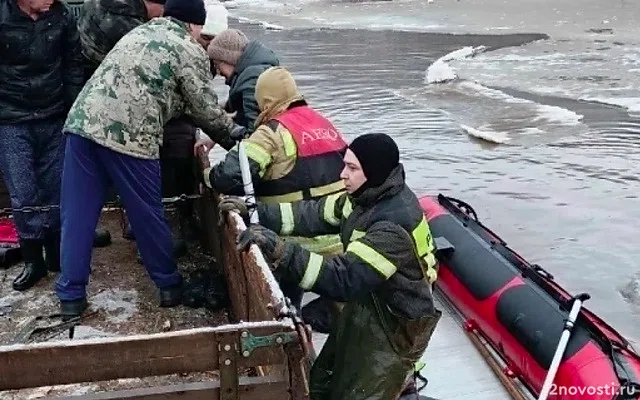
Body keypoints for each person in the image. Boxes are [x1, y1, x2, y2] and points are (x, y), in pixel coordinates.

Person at [55, 0, 239, 318]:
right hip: (128, 136)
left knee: (77, 216)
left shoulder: (139, 33)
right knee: (147, 213)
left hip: (81, 125)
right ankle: (168, 285)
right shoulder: (188, 48)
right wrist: (237, 136)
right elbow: (205, 111)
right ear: (195, 25)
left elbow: (154, 89)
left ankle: (71, 297)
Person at [229, 133, 442, 400]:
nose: (342, 174)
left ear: (374, 172)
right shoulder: (363, 197)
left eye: (352, 168)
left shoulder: (391, 227)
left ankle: (403, 388)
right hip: (368, 303)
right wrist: (255, 213)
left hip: (396, 326)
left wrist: (280, 249)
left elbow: (343, 279)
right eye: (345, 165)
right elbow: (312, 214)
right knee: (324, 380)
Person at [0, 0, 85, 291]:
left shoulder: (61, 16)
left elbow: (74, 62)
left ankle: (56, 254)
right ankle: (32, 260)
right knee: (23, 192)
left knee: (55, 188)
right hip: (11, 118)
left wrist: (72, 109)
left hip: (53, 114)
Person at [207, 28, 279, 133]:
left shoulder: (252, 79)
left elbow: (255, 133)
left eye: (217, 64)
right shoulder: (255, 72)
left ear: (229, 59)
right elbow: (242, 111)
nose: (218, 72)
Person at [78, 0, 166, 80]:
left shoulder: (118, 8)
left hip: (87, 68)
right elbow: (149, 56)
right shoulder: (124, 21)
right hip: (100, 75)